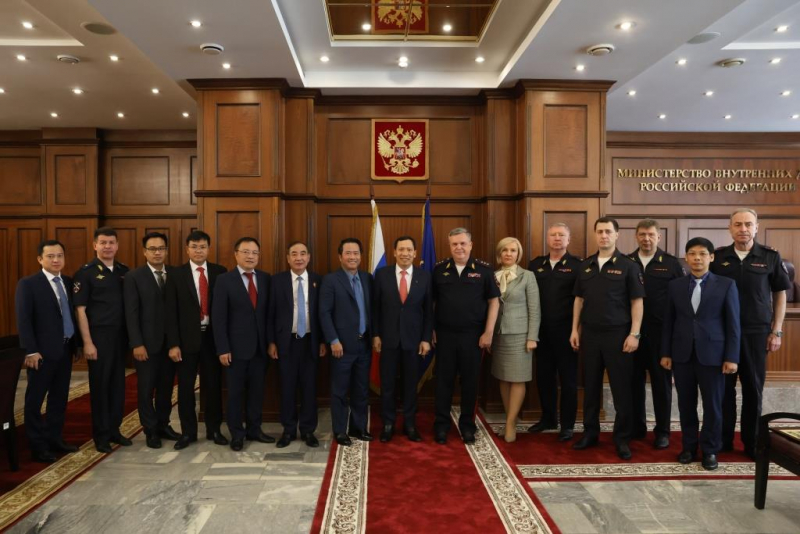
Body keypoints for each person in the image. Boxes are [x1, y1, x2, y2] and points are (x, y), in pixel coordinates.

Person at [710, 208, 791, 459]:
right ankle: (723, 440)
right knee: (723, 391)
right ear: (730, 228)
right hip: (723, 333)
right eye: (738, 224)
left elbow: (780, 294)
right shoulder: (718, 258)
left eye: (748, 224)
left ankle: (752, 442)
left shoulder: (770, 257)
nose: (743, 229)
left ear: (757, 227)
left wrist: (777, 330)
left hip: (756, 333)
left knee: (753, 390)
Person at [661, 237, 740, 471]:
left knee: (713, 406)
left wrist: (732, 357)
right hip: (682, 355)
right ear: (686, 258)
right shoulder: (675, 286)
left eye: (703, 254)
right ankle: (688, 447)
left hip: (714, 356)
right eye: (692, 254)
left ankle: (710, 450)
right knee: (686, 405)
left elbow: (733, 324)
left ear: (711, 257)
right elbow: (668, 322)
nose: (697, 258)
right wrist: (666, 353)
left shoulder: (726, 284)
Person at [571, 217, 645, 460]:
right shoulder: (586, 266)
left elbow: (637, 302)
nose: (603, 236)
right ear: (595, 234)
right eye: (600, 231)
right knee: (590, 387)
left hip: (618, 335)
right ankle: (590, 433)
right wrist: (574, 329)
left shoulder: (629, 266)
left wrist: (634, 334)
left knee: (622, 390)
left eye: (608, 232)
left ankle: (622, 438)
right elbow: (579, 300)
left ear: (617, 235)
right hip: (590, 334)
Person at [432, 228, 500, 445]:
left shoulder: (484, 270)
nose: (459, 247)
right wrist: (431, 329)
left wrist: (488, 332)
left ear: (471, 245)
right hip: (445, 335)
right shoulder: (439, 270)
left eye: (463, 243)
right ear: (449, 246)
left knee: (470, 382)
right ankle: (441, 425)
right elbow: (431, 302)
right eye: (454, 244)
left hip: (473, 336)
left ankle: (467, 426)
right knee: (443, 382)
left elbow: (494, 301)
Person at [15, 240, 80, 463]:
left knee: (59, 399)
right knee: (35, 400)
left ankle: (55, 439)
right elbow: (24, 320)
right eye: (50, 256)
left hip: (65, 349)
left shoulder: (68, 282)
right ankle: (37, 446)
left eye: (59, 255)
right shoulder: (28, 284)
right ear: (40, 259)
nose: (56, 260)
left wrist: (76, 344)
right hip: (41, 353)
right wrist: (30, 350)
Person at [166, 230, 229, 449]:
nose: (198, 250)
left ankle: (214, 430)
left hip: (212, 339)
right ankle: (188, 433)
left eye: (202, 247)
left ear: (208, 249)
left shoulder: (220, 272)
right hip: (185, 341)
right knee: (185, 389)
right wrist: (173, 344)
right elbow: (170, 312)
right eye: (194, 247)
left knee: (213, 387)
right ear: (187, 249)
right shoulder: (176, 274)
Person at [212, 237, 273, 451]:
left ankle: (255, 429)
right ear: (236, 254)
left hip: (260, 349)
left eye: (255, 252)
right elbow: (219, 317)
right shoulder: (224, 280)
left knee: (257, 392)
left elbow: (269, 315)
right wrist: (223, 348)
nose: (250, 256)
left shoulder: (265, 278)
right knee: (235, 394)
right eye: (246, 252)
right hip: (235, 350)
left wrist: (271, 342)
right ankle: (237, 434)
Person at [74, 227, 131, 453]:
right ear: (94, 245)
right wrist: (87, 342)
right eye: (103, 242)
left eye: (111, 242)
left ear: (117, 245)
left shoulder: (124, 271)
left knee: (118, 385)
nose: (107, 246)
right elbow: (80, 310)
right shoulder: (85, 273)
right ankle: (101, 435)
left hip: (120, 337)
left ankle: (115, 429)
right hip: (98, 337)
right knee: (100, 387)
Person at [628, 220, 684, 449]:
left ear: (659, 237)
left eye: (651, 234)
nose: (646, 239)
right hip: (632, 332)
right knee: (634, 383)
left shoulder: (671, 263)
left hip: (661, 334)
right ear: (636, 236)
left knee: (661, 385)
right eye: (642, 234)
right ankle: (637, 427)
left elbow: (680, 300)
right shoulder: (626, 262)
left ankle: (663, 431)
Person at [372, 236, 433, 443]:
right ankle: (388, 424)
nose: (405, 253)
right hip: (387, 340)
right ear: (394, 252)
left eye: (409, 250)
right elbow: (375, 308)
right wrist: (376, 334)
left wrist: (426, 338)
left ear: (415, 253)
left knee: (410, 385)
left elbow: (428, 312)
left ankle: (409, 424)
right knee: (388, 384)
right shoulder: (382, 275)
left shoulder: (424, 276)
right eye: (401, 249)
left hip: (414, 341)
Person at [268, 241, 326, 448]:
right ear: (288, 258)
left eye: (302, 254)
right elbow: (270, 313)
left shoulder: (318, 280)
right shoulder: (277, 281)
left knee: (309, 388)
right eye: (294, 254)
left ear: (308, 257)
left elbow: (323, 314)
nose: (298, 258)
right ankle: (289, 430)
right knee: (287, 387)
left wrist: (322, 341)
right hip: (286, 342)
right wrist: (271, 341)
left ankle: (308, 430)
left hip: (311, 341)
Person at [124, 232, 179, 449]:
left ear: (166, 251)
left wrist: (176, 342)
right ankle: (150, 429)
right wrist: (136, 343)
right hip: (145, 344)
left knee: (166, 388)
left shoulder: (175, 274)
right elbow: (131, 313)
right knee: (146, 389)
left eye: (161, 248)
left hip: (170, 344)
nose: (157, 252)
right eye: (153, 249)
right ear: (144, 251)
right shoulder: (134, 277)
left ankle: (164, 424)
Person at [528, 223, 582, 441]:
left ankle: (567, 425)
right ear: (547, 239)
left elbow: (582, 300)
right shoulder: (535, 265)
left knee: (568, 380)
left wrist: (577, 330)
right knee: (544, 377)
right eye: (553, 235)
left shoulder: (578, 266)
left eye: (561, 235)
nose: (557, 238)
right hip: (541, 332)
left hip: (567, 332)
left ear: (568, 240)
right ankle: (548, 418)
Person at [319, 238, 374, 447]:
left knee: (361, 389)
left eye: (356, 253)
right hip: (341, 346)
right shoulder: (331, 280)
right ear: (340, 256)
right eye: (348, 253)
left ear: (361, 256)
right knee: (340, 391)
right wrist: (333, 340)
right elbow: (324, 313)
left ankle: (358, 427)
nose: (353, 257)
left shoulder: (368, 278)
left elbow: (372, 309)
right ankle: (340, 430)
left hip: (364, 344)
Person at [491, 237, 540, 443]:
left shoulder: (527, 276)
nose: (508, 254)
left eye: (513, 250)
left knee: (518, 378)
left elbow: (534, 308)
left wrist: (532, 337)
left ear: (518, 254)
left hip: (520, 335)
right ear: (499, 253)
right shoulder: (492, 276)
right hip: (498, 335)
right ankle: (508, 418)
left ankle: (511, 423)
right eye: (505, 250)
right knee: (503, 377)